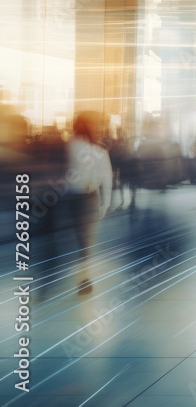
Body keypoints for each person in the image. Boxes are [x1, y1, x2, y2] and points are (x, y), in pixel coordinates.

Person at [65, 112, 113, 295]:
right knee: (84, 241)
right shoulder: (97, 150)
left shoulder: (69, 147)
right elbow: (106, 177)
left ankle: (80, 277)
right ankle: (83, 278)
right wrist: (105, 203)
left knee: (75, 239)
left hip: (70, 198)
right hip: (86, 197)